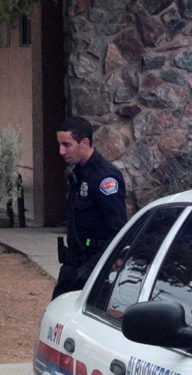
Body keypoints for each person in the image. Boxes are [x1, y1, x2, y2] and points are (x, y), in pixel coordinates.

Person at [51, 116, 128, 299]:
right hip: (73, 266)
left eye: (67, 145)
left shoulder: (105, 178)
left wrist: (91, 268)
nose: (61, 151)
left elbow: (117, 232)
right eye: (60, 145)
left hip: (94, 269)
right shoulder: (78, 174)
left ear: (84, 143)